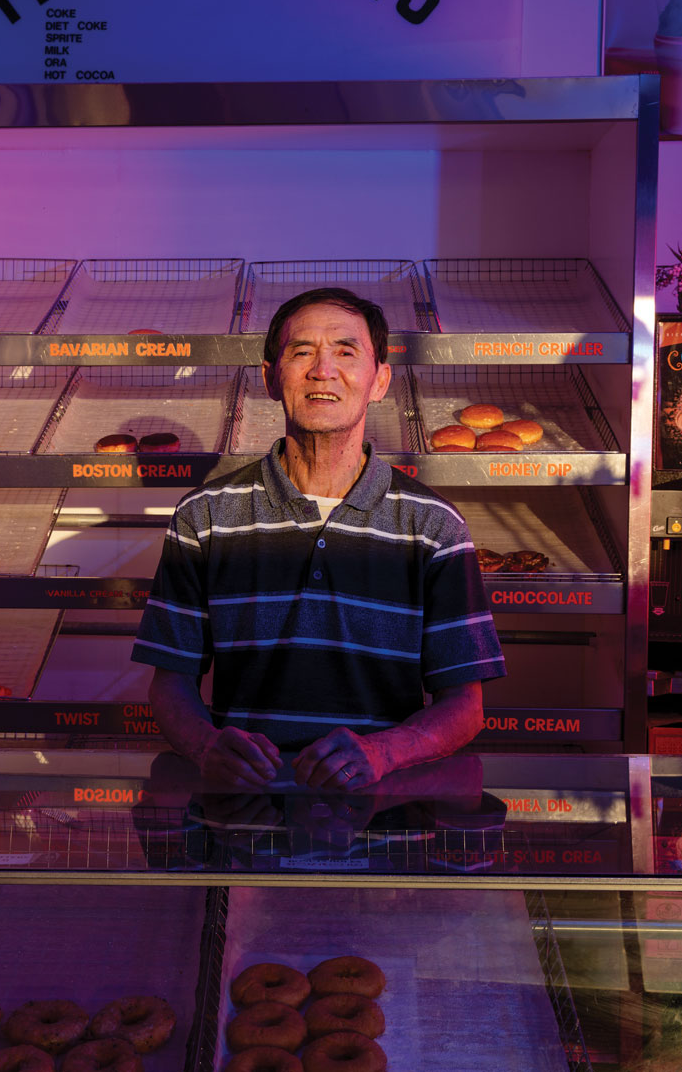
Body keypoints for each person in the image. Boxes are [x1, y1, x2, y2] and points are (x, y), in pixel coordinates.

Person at [131, 287, 505, 790]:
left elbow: (464, 705)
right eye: (301, 351)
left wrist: (383, 752)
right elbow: (171, 682)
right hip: (246, 824)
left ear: (380, 381)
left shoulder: (433, 525)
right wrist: (205, 745)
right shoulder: (205, 517)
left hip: (382, 821)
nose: (322, 370)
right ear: (269, 378)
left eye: (346, 352)